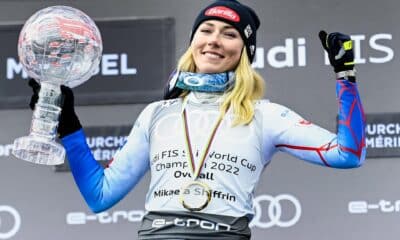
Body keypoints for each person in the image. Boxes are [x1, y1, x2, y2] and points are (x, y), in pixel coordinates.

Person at [29, 0, 366, 239]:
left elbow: (349, 155)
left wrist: (345, 77)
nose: (214, 40)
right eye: (206, 30)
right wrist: (70, 127)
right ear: (193, 43)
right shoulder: (157, 114)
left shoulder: (265, 115)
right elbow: (99, 197)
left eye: (230, 34)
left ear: (245, 52)